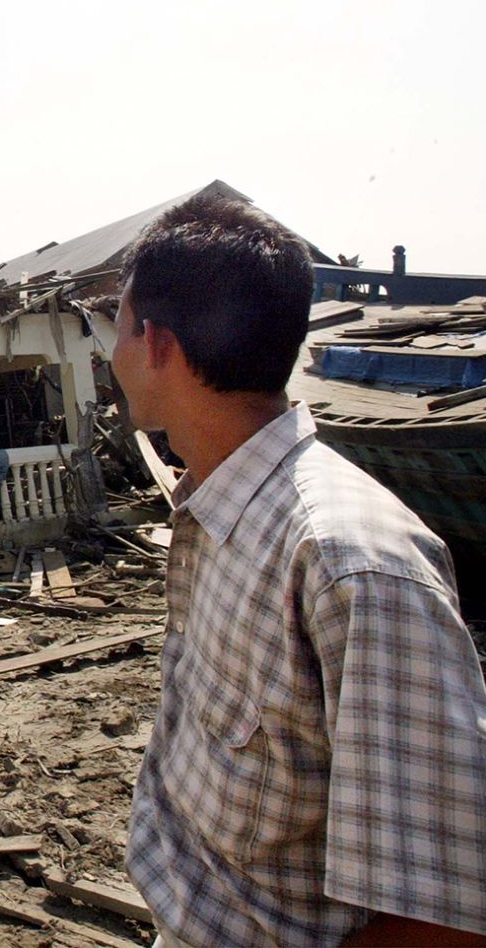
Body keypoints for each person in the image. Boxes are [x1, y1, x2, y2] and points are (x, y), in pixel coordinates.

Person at [112, 192, 486, 946]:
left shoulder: (353, 567)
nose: (111, 354)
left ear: (157, 346)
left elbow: (442, 921)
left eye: (116, 327)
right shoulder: (220, 513)